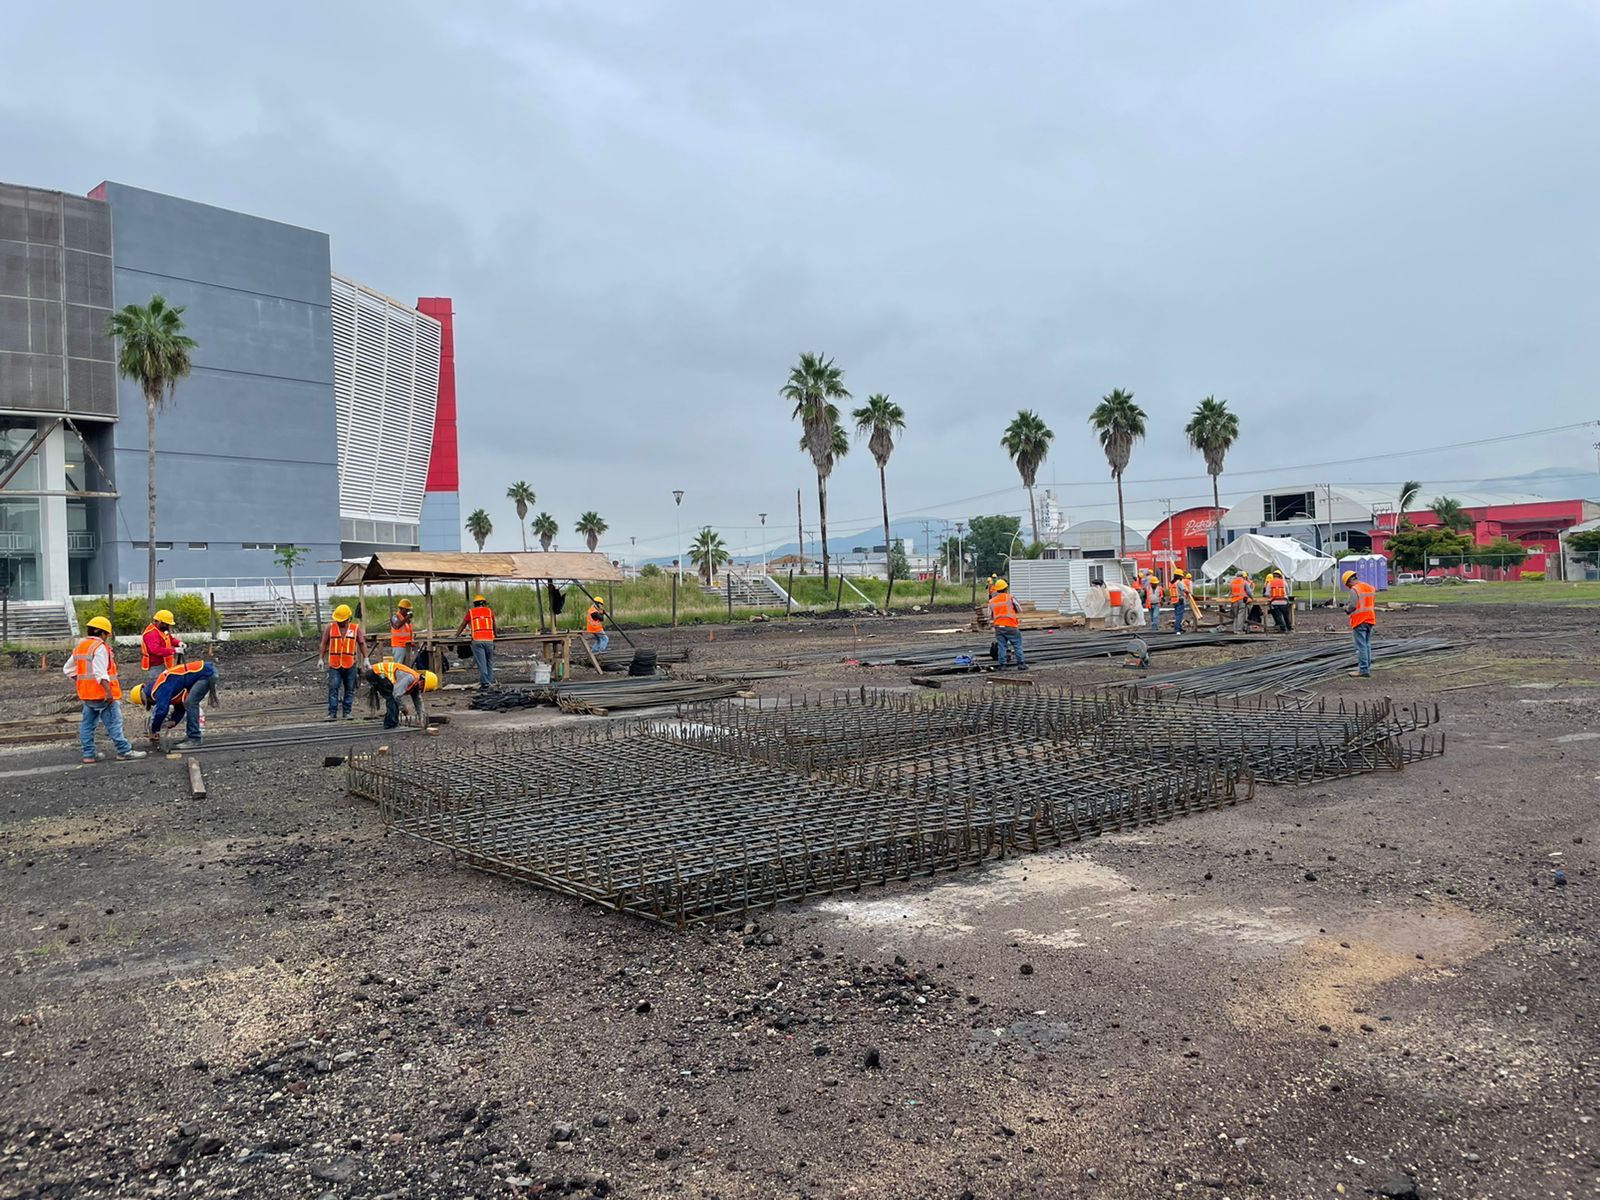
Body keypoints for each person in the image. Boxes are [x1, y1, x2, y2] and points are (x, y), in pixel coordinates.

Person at [65, 616, 144, 764]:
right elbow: (100, 673)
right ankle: (124, 751)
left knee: (87, 725)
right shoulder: (99, 647)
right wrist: (108, 692)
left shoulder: (81, 646)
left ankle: (89, 754)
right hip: (102, 695)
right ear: (104, 633)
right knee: (114, 723)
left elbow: (68, 669)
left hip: (87, 695)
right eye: (107, 634)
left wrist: (83, 682)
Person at [129, 660, 217, 750]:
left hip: (205, 674)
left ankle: (194, 738)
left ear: (146, 699)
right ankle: (191, 736)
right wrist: (174, 720)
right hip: (204, 672)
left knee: (191, 703)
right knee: (188, 703)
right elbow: (180, 705)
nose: (152, 705)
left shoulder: (160, 688)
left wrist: (154, 729)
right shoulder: (161, 687)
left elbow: (162, 711)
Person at [320, 603, 368, 721]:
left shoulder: (355, 629)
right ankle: (332, 713)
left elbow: (362, 643)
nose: (340, 622)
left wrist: (366, 658)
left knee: (349, 689)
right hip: (334, 664)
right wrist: (321, 658)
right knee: (333, 688)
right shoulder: (330, 628)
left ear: (348, 618)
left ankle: (347, 712)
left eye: (342, 620)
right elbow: (324, 643)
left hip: (350, 664)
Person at [366, 659, 440, 729]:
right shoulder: (410, 678)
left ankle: (392, 722)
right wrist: (403, 708)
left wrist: (422, 719)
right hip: (375, 673)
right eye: (422, 687)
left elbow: (418, 702)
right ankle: (390, 724)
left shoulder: (416, 684)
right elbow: (396, 694)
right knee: (392, 697)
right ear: (422, 681)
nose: (421, 689)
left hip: (378, 674)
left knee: (392, 697)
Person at [1342, 568, 1377, 677]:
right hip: (1370, 619)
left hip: (1359, 620)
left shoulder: (1355, 589)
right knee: (1367, 645)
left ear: (1349, 581)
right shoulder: (1370, 587)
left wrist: (1346, 609)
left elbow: (1352, 606)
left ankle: (1363, 670)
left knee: (1361, 646)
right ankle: (1367, 667)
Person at [456, 593, 496, 689]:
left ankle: (485, 683)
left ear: (475, 604)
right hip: (490, 640)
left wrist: (456, 635)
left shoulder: (471, 612)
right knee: (489, 661)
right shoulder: (489, 611)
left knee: (482, 663)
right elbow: (494, 625)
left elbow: (463, 624)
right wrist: (496, 635)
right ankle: (489, 681)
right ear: (484, 603)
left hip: (477, 640)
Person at [988, 579, 1026, 670]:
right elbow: (1019, 609)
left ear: (997, 589)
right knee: (1017, 644)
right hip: (1011, 626)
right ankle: (1021, 664)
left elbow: (989, 615)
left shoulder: (992, 601)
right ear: (1006, 588)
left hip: (998, 627)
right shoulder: (1010, 598)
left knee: (1002, 646)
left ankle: (1002, 665)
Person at [141, 608, 183, 680]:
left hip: (164, 663)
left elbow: (170, 639)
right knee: (157, 686)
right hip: (155, 666)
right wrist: (174, 650)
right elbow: (156, 650)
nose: (168, 626)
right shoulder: (151, 633)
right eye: (166, 624)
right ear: (159, 622)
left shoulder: (161, 630)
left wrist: (179, 643)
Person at [389, 598, 416, 666]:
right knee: (398, 666)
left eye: (409, 610)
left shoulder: (406, 620)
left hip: (407, 646)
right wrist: (407, 618)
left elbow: (409, 632)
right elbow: (397, 625)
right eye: (407, 610)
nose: (408, 612)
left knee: (406, 667)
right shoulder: (395, 617)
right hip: (399, 646)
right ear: (402, 609)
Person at [1267, 569, 1293, 633]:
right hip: (1284, 601)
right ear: (1280, 576)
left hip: (1274, 602)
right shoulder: (1284, 582)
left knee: (1278, 616)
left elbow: (1267, 593)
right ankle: (1289, 628)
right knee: (1286, 615)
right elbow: (1287, 592)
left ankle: (1283, 629)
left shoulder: (1270, 583)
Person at [1169, 570, 1190, 635]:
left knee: (1177, 615)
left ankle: (1179, 628)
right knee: (1179, 616)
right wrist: (1188, 592)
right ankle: (1177, 629)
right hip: (1180, 600)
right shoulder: (1179, 582)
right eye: (1181, 576)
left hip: (1174, 600)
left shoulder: (1172, 583)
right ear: (1179, 576)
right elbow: (1184, 590)